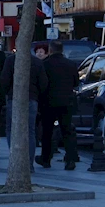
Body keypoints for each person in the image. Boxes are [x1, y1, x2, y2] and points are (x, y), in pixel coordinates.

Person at [1, 49, 49, 171]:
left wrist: (7, 92)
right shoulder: (37, 62)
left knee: (11, 129)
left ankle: (15, 161)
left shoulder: (11, 60)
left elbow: (4, 80)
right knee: (30, 131)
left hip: (14, 98)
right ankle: (29, 164)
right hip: (32, 98)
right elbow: (43, 83)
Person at [36, 40, 78, 170]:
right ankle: (70, 159)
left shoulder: (45, 64)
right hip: (66, 102)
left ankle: (46, 158)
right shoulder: (70, 64)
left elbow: (41, 83)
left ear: (50, 50)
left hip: (48, 102)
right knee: (67, 131)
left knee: (47, 131)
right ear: (62, 50)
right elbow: (76, 82)